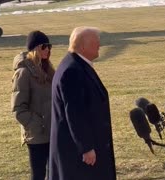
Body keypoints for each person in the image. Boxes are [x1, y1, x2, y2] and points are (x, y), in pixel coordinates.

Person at [49, 26, 116, 180]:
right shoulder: (72, 71)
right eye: (95, 42)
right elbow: (74, 112)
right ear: (83, 46)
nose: (99, 45)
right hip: (78, 156)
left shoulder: (78, 64)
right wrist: (86, 147)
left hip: (86, 149)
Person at [11, 30, 55, 180]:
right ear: (35, 48)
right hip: (37, 135)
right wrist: (37, 124)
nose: (48, 50)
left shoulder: (48, 70)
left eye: (49, 46)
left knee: (54, 173)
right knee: (38, 175)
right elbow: (18, 109)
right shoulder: (23, 73)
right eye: (44, 47)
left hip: (52, 131)